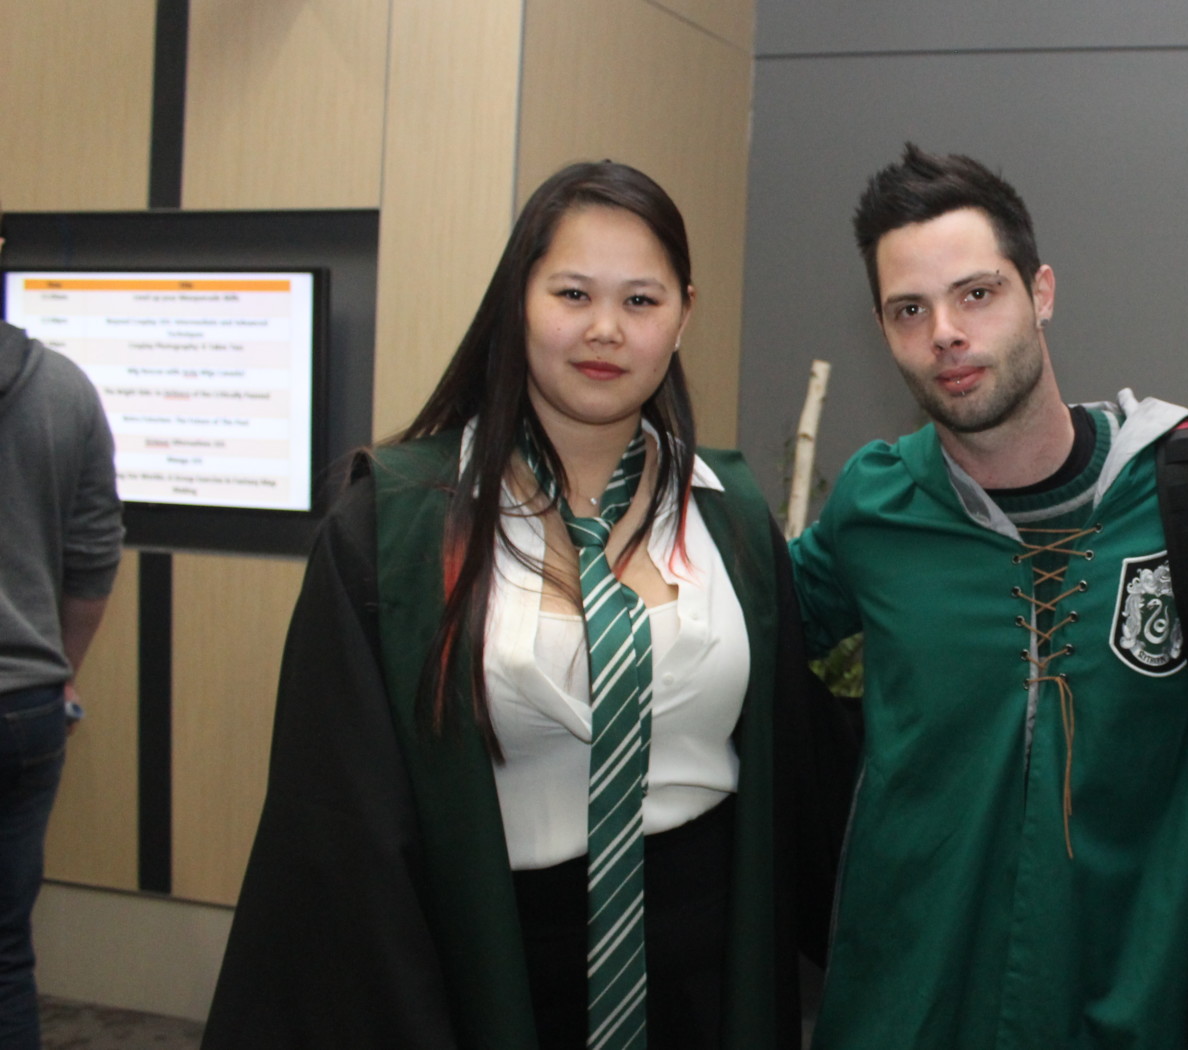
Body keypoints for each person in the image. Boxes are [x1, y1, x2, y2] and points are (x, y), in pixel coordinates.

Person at [204, 162, 851, 1049]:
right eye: (573, 293)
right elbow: (340, 829)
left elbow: (798, 776)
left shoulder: (729, 516)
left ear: (683, 316)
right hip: (487, 968)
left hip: (706, 973)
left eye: (640, 301)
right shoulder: (394, 527)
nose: (605, 329)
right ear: (518, 299)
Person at [792, 146, 1188, 1049]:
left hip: (1122, 1015)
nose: (946, 332)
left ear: (1041, 292)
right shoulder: (875, 506)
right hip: (903, 1014)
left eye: (977, 293)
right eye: (910, 309)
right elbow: (732, 630)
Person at [0, 201, 125, 1050]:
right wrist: (62, 669)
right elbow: (92, 561)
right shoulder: (64, 387)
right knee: (7, 950)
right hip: (27, 709)